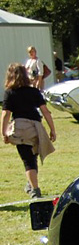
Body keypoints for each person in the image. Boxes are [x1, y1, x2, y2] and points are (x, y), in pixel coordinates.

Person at [2, 63, 57, 198]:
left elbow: (6, 114)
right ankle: (30, 184)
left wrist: (3, 132)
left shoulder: (10, 92)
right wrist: (52, 129)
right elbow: (46, 112)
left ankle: (35, 190)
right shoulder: (34, 91)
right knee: (33, 157)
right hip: (35, 127)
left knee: (27, 160)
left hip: (21, 128)